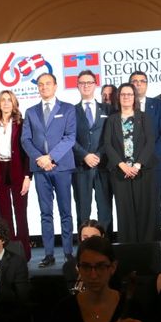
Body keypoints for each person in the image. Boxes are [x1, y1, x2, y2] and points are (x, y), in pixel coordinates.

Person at [21, 72, 77, 268]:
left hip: (61, 166)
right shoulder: (30, 112)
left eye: (47, 83)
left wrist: (51, 157)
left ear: (55, 86)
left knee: (65, 211)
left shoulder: (68, 109)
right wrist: (40, 159)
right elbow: (25, 139)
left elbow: (70, 137)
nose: (44, 87)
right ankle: (48, 254)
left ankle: (68, 252)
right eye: (41, 84)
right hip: (40, 169)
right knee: (45, 213)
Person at [102, 82, 157, 243]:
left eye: (130, 94)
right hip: (120, 172)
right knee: (124, 213)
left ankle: (146, 247)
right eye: (123, 94)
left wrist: (137, 165)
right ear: (118, 97)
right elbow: (108, 144)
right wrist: (122, 165)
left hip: (142, 171)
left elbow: (150, 143)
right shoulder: (112, 119)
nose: (126, 97)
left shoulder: (144, 117)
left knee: (145, 211)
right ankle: (127, 249)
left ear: (134, 97)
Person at [0, 89, 32, 259]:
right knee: (5, 216)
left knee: (21, 214)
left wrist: (27, 176)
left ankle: (24, 252)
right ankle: (10, 253)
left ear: (14, 104)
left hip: (18, 170)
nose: (6, 103)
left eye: (9, 100)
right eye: (3, 100)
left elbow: (27, 151)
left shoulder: (21, 123)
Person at [72, 70, 111, 236]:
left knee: (105, 209)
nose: (86, 85)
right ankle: (84, 244)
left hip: (103, 166)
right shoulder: (71, 111)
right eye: (82, 83)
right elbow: (69, 138)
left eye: (89, 82)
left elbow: (111, 136)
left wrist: (99, 155)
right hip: (81, 167)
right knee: (83, 210)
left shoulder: (108, 109)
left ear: (95, 85)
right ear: (77, 86)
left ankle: (106, 243)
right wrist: (84, 155)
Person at [131, 69, 161, 239]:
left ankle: (154, 242)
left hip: (154, 162)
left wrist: (148, 156)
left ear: (147, 84)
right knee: (134, 205)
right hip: (131, 165)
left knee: (153, 204)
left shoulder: (158, 104)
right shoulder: (124, 105)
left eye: (142, 81)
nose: (138, 84)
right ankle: (136, 242)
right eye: (135, 81)